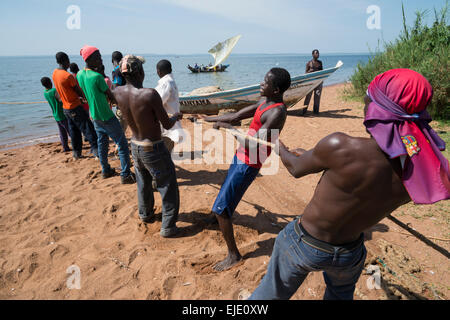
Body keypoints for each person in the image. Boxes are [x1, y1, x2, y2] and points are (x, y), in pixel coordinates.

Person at [249, 68, 450, 300]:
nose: (365, 99)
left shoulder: (339, 145)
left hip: (304, 243)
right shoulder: (417, 173)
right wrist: (318, 157)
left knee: (269, 296)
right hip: (349, 253)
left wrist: (280, 147)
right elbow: (370, 178)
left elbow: (295, 168)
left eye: (369, 95)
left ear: (379, 108)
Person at [199, 68, 292, 271]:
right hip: (241, 155)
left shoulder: (277, 111)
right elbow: (236, 116)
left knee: (221, 209)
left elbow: (254, 144)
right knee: (226, 190)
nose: (261, 84)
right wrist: (206, 119)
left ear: (276, 89)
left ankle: (234, 255)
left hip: (250, 162)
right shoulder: (264, 102)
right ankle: (217, 219)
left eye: (265, 82)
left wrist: (228, 128)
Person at [113, 54, 183, 237]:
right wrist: (176, 116)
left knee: (143, 183)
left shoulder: (117, 92)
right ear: (140, 72)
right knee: (167, 185)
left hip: (135, 146)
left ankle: (146, 214)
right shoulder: (149, 94)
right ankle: (168, 227)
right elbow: (167, 124)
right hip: (153, 147)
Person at [76, 45, 135, 184]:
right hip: (106, 115)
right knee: (122, 143)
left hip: (94, 115)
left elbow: (85, 93)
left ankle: (105, 170)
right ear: (89, 59)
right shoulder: (97, 77)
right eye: (98, 57)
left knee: (102, 142)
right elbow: (111, 96)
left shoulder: (79, 74)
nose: (101, 59)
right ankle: (125, 174)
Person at [52, 51, 98, 160]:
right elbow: (77, 90)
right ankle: (96, 152)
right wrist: (85, 99)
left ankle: (76, 154)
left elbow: (58, 91)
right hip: (75, 107)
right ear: (66, 61)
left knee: (74, 132)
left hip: (65, 108)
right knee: (88, 129)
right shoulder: (68, 76)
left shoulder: (55, 73)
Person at [155, 59, 186, 153]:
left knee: (164, 151)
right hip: (171, 120)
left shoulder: (165, 83)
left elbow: (157, 102)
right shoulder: (171, 81)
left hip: (166, 122)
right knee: (167, 149)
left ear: (158, 71)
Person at [40, 77, 70, 152]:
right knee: (70, 131)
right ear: (50, 82)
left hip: (56, 115)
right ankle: (75, 145)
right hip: (62, 114)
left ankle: (65, 147)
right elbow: (61, 100)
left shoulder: (45, 93)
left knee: (62, 132)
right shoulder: (54, 91)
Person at [302, 49, 323, 115]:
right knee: (308, 97)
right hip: (310, 83)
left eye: (318, 53)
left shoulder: (320, 63)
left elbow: (322, 72)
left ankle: (316, 112)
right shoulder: (309, 63)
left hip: (318, 83)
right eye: (316, 53)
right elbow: (305, 74)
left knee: (317, 97)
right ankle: (304, 111)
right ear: (313, 54)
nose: (317, 54)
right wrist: (310, 71)